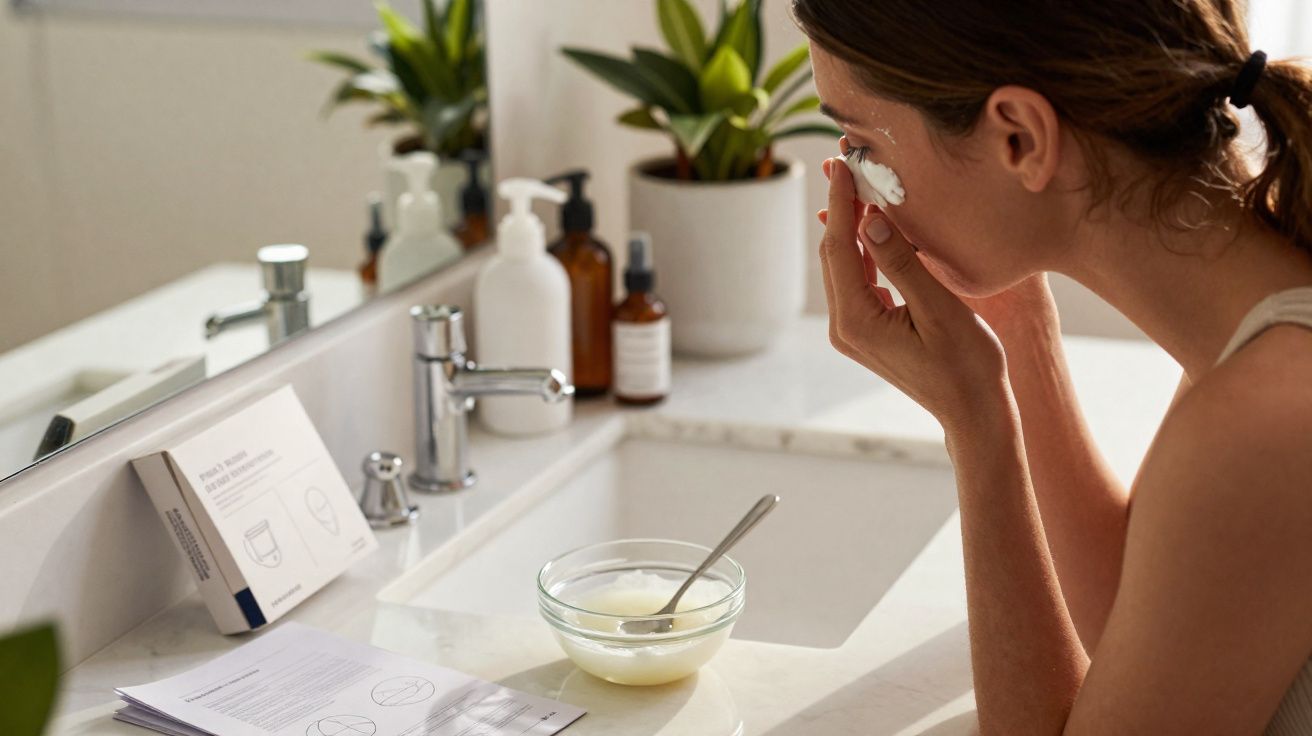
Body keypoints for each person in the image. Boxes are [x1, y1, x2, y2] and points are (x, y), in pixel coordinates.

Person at [792, 1, 1312, 733]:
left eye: (863, 146)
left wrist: (978, 425)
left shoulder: (1263, 417)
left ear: (1020, 138)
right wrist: (1020, 334)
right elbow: (1143, 619)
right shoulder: (1267, 303)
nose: (858, 183)